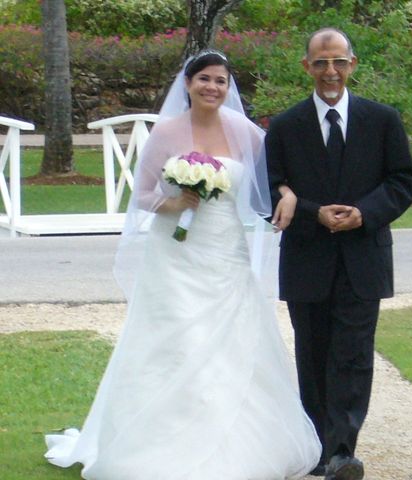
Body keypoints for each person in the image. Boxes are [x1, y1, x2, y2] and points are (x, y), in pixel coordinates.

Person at [44, 50, 321, 479]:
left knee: (230, 337)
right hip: (174, 253)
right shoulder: (167, 132)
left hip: (225, 249)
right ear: (188, 84)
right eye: (205, 79)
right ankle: (164, 439)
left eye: (221, 81)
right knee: (178, 337)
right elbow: (142, 196)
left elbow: (272, 173)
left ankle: (236, 441)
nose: (213, 87)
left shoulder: (244, 131)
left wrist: (285, 192)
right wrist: (172, 203)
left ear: (229, 89)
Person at [265, 28, 412, 480]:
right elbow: (272, 189)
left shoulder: (383, 120)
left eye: (337, 62)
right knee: (313, 356)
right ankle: (316, 446)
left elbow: (403, 180)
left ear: (352, 64)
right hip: (307, 258)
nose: (329, 72)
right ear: (306, 67)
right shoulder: (286, 126)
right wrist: (314, 212)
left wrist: (364, 213)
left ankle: (341, 451)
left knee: (352, 355)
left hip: (363, 257)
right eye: (320, 63)